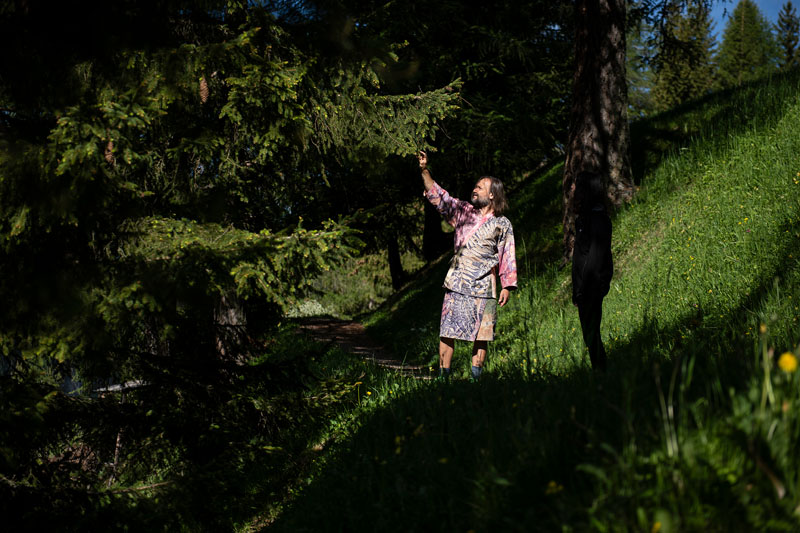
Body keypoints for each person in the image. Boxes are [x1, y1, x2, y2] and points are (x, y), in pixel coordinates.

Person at [418, 150, 517, 381]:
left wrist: (507, 285)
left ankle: (476, 382)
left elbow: (508, 255)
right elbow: (439, 196)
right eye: (475, 186)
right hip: (457, 282)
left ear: (493, 194)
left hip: (486, 286)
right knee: (447, 331)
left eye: (480, 187)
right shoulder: (462, 211)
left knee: (482, 336)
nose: (475, 189)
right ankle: (444, 379)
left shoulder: (502, 224)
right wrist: (424, 169)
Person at [571, 171, 613, 372]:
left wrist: (583, 288)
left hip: (591, 286)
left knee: (591, 331)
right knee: (589, 332)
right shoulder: (585, 219)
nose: (572, 189)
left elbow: (595, 258)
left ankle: (601, 371)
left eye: (575, 185)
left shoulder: (597, 219)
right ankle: (600, 370)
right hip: (584, 288)